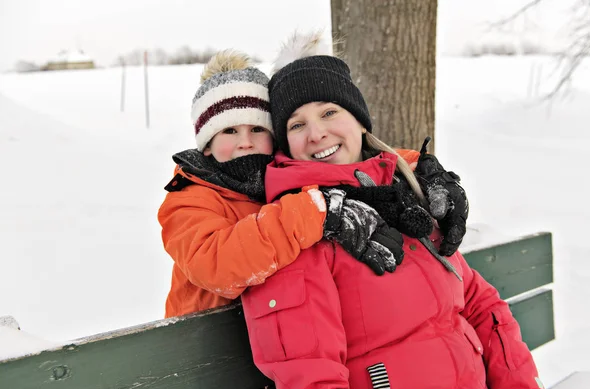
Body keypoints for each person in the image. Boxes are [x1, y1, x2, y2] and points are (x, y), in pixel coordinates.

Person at [241, 32, 546, 389]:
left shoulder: (403, 195)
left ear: (359, 120)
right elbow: (314, 386)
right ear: (285, 143)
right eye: (297, 124)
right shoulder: (295, 234)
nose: (317, 133)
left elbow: (483, 307)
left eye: (329, 112)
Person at [157, 50, 405, 317]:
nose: (245, 142)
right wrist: (316, 212)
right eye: (229, 131)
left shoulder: (279, 172)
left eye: (257, 129)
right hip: (203, 347)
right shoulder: (189, 197)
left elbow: (349, 165)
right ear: (207, 145)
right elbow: (215, 266)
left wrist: (414, 167)